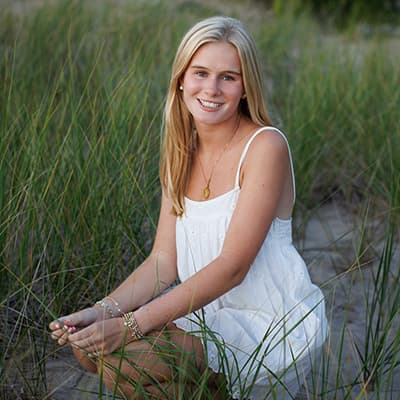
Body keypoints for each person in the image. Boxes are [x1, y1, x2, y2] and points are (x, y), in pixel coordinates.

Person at [50, 16, 328, 400]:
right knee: (86, 349)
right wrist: (103, 311)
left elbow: (232, 268)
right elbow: (164, 261)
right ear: (181, 78)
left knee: (119, 363)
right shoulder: (180, 152)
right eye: (200, 73)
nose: (211, 89)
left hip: (265, 320)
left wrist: (129, 326)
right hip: (207, 313)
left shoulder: (265, 147)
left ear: (246, 87)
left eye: (228, 77)